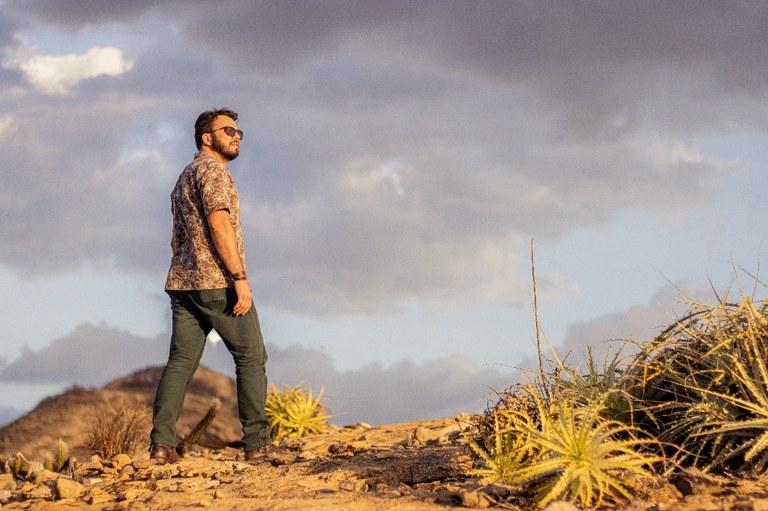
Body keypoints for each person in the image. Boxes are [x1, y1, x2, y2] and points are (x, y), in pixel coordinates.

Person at [149, 108, 271, 464]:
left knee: (181, 361)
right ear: (207, 137)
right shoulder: (214, 173)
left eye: (239, 132)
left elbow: (176, 240)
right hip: (217, 282)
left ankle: (162, 444)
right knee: (251, 357)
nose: (236, 136)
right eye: (228, 130)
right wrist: (239, 278)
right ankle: (258, 444)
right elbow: (219, 225)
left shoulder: (184, 177)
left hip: (183, 283)